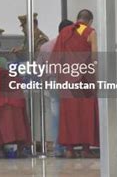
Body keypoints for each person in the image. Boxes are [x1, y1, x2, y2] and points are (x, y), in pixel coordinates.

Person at [50, 9, 99, 159]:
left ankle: (69, 149)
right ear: (90, 21)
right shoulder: (90, 32)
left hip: (66, 80)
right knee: (86, 114)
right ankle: (85, 149)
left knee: (68, 115)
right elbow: (94, 56)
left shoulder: (65, 32)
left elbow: (56, 58)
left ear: (77, 19)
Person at [36, 19, 73, 158]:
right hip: (69, 82)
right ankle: (71, 145)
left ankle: (58, 147)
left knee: (56, 115)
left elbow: (39, 68)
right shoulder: (71, 45)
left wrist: (46, 80)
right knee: (70, 114)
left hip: (53, 83)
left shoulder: (46, 46)